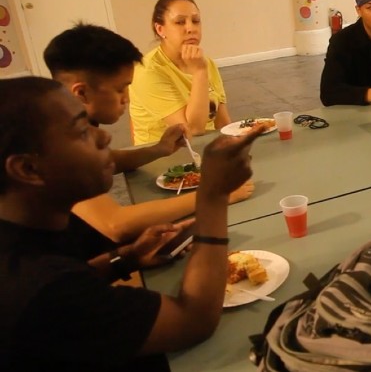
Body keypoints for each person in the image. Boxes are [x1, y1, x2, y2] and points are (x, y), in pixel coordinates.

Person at [0, 76, 264, 371]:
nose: (104, 138)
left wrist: (124, 259)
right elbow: (195, 321)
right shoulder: (40, 289)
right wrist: (213, 195)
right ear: (27, 168)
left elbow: (71, 276)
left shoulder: (23, 231)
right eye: (81, 132)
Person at [45, 23, 254, 243]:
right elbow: (116, 224)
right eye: (120, 89)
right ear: (81, 92)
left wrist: (158, 150)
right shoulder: (56, 140)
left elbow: (104, 160)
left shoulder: (71, 116)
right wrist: (215, 195)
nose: (127, 97)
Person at [130, 0, 232, 145]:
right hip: (166, 156)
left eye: (196, 21)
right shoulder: (148, 71)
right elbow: (192, 130)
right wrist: (199, 73)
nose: (191, 28)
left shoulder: (206, 63)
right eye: (180, 22)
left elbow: (223, 123)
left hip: (206, 147)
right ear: (160, 29)